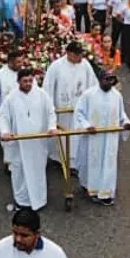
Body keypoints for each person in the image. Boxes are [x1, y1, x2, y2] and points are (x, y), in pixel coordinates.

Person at [0, 68, 58, 211]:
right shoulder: (11, 98)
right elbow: (3, 117)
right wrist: (5, 132)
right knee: (20, 172)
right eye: (25, 81)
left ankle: (39, 201)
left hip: (37, 143)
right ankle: (22, 201)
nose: (28, 84)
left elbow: (51, 112)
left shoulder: (42, 95)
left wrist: (51, 127)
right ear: (18, 81)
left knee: (37, 171)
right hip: (19, 144)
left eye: (30, 81)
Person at [73, 70, 130, 205]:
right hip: (93, 137)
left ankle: (106, 192)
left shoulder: (117, 96)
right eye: (107, 79)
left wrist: (126, 123)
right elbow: (79, 113)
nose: (109, 83)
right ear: (100, 79)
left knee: (108, 163)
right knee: (92, 162)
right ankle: (91, 188)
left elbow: (121, 114)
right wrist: (86, 126)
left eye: (112, 80)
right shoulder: (88, 95)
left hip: (110, 138)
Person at [41, 42, 97, 170]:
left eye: (81, 54)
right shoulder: (56, 66)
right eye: (77, 55)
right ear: (69, 53)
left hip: (80, 109)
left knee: (77, 137)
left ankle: (74, 163)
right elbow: (48, 87)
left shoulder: (85, 65)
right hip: (63, 110)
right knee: (63, 136)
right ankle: (58, 158)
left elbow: (93, 84)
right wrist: (49, 108)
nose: (80, 58)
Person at [0, 207, 69, 258]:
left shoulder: (56, 254)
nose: (18, 239)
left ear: (37, 234)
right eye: (15, 233)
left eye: (24, 235)